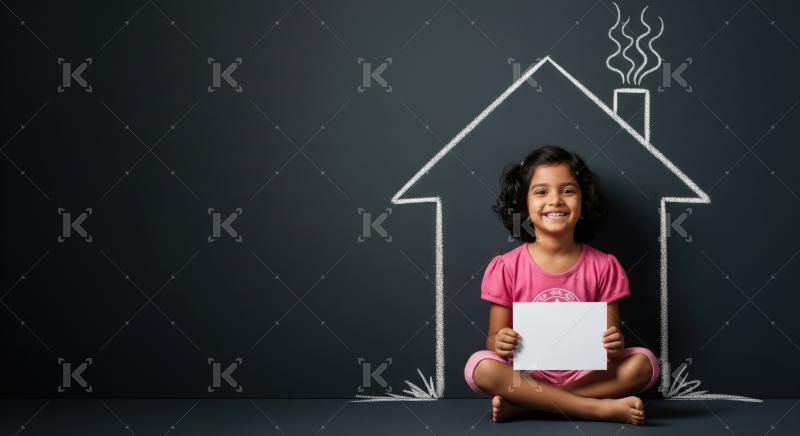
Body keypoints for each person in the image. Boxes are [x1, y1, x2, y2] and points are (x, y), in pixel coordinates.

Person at [463, 145, 660, 424]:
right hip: (527, 374)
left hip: (586, 373)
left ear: (583, 205)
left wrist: (614, 345)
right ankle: (594, 408)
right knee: (480, 367)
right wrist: (501, 341)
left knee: (645, 363)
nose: (555, 200)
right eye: (541, 192)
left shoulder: (604, 266)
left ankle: (531, 406)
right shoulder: (506, 267)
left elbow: (612, 340)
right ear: (523, 206)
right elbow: (494, 340)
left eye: (567, 190)